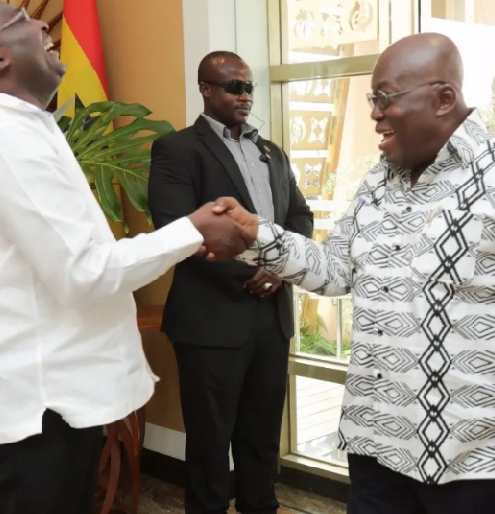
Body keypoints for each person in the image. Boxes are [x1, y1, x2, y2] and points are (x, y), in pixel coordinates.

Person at [0, 3, 252, 514]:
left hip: (53, 395)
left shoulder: (26, 126)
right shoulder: (1, 137)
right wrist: (192, 231)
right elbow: (84, 271)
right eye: (21, 19)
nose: (42, 24)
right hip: (31, 402)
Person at [213, 32, 495, 514]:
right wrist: (256, 236)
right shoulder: (377, 182)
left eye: (384, 98)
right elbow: (335, 270)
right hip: (374, 444)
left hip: (475, 460)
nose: (374, 112)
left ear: (443, 99)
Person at [147, 51, 313, 513]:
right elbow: (177, 228)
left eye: (249, 87)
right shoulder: (177, 149)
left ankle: (262, 506)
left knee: (262, 436)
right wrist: (251, 271)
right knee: (210, 440)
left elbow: (300, 215)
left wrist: (279, 267)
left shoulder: (272, 152)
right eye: (233, 87)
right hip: (210, 320)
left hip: (270, 316)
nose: (245, 96)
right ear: (205, 89)